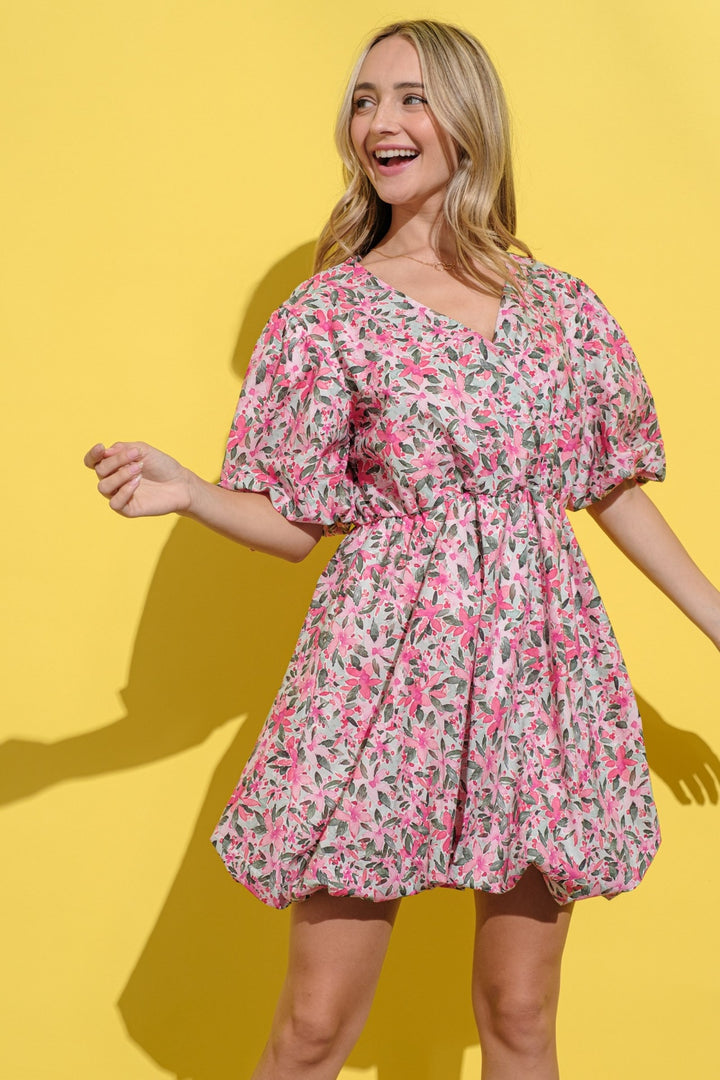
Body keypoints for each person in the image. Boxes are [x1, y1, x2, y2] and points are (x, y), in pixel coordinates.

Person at [84, 18, 720, 1080]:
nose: (380, 121)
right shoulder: (326, 316)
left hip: (535, 670)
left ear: (469, 121)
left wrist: (712, 613)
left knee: (520, 1014)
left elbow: (603, 481)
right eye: (365, 99)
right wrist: (194, 494)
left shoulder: (560, 309)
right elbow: (297, 523)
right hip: (383, 674)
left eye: (410, 96)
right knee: (314, 1028)